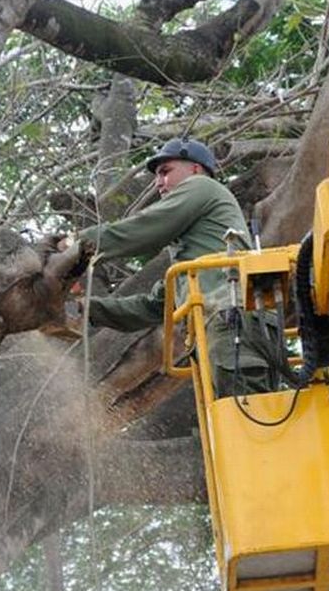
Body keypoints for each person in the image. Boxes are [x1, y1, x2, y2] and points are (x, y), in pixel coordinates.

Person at [75, 137, 275, 397]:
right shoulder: (194, 265)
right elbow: (154, 306)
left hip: (233, 320)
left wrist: (78, 247)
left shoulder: (203, 186)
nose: (159, 183)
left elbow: (147, 229)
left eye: (165, 172)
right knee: (235, 424)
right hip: (223, 327)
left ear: (195, 168)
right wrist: (87, 309)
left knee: (249, 421)